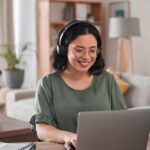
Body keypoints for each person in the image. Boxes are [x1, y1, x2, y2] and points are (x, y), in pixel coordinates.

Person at [30, 20, 127, 149]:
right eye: (79, 50)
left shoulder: (108, 80)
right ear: (63, 49)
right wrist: (69, 137)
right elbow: (42, 129)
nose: (86, 57)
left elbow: (123, 122)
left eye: (92, 50)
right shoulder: (47, 83)